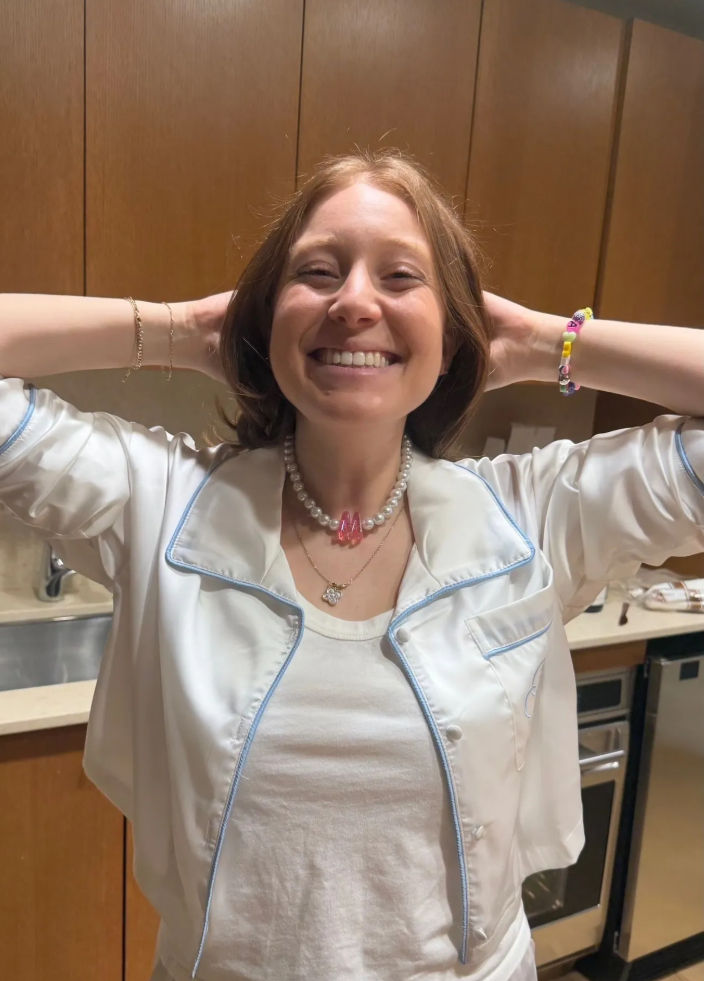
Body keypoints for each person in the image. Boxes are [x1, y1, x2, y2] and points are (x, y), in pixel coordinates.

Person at [1, 150, 703, 981]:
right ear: (264, 322)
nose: (356, 301)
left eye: (402, 277)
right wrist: (182, 332)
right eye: (318, 271)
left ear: (451, 333)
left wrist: (541, 341)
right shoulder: (159, 501)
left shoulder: (532, 515)